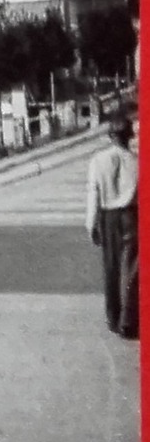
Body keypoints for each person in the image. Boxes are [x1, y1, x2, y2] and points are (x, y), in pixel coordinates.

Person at [86, 109, 138, 339]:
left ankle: (113, 316)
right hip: (130, 215)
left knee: (111, 268)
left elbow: (93, 193)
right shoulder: (138, 162)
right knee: (131, 269)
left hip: (107, 216)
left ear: (110, 136)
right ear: (129, 136)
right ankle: (128, 319)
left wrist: (92, 223)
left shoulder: (98, 160)